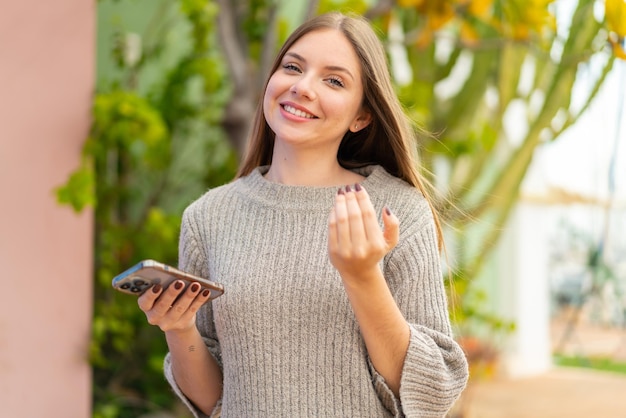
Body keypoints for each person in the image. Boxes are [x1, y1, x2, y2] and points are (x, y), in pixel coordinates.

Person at [138, 11, 469, 418]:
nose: (302, 87)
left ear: (362, 116)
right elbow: (215, 403)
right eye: (292, 67)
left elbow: (433, 393)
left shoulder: (398, 211)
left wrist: (363, 276)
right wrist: (178, 328)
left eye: (333, 80)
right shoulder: (209, 216)